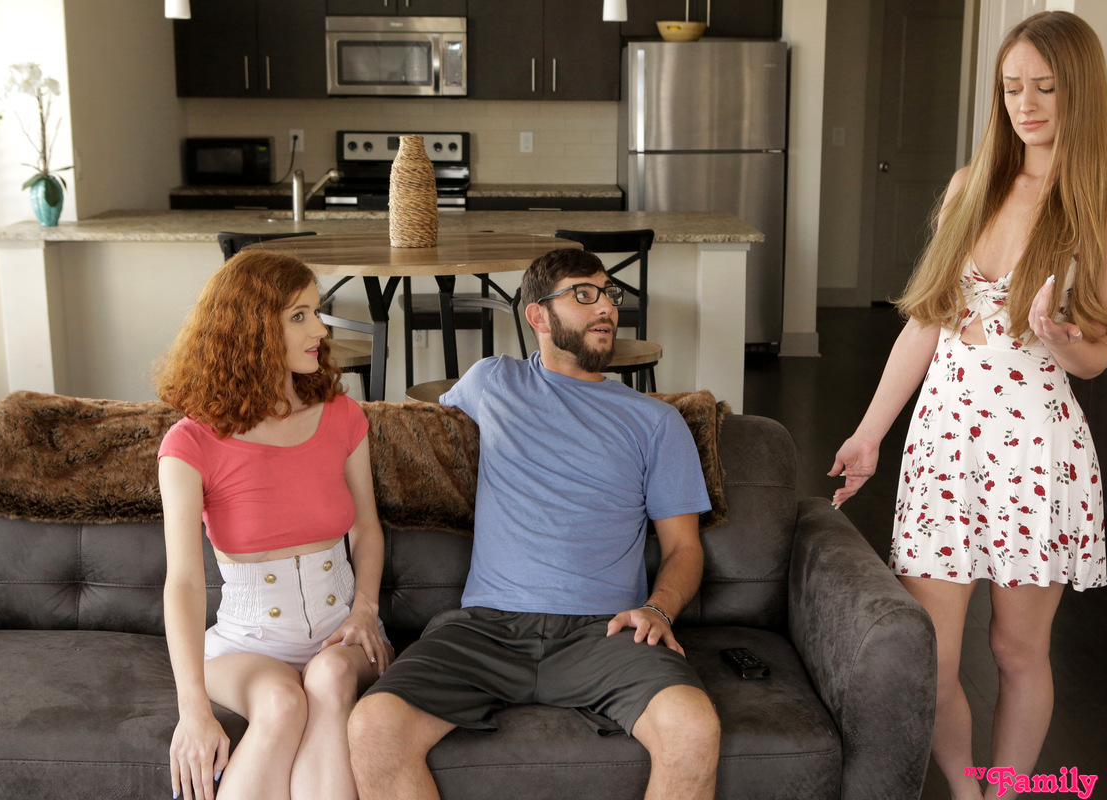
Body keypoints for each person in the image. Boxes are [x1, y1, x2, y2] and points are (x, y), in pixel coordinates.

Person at [830, 11, 1107, 800]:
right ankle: (968, 791)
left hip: (1036, 453)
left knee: (1015, 651)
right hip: (944, 444)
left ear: (1081, 92)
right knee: (928, 664)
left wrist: (1059, 338)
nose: (1025, 104)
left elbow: (1097, 357)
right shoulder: (970, 186)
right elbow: (926, 321)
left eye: (1045, 87)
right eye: (1011, 88)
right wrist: (869, 434)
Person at [346, 248, 721, 800]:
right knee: (373, 725)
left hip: (605, 632)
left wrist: (658, 610)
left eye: (610, 295)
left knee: (694, 726)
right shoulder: (492, 380)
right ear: (537, 315)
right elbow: (412, 425)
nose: (606, 308)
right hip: (486, 629)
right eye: (584, 294)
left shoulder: (656, 422)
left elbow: (684, 549)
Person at [155, 250, 394, 800]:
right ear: (254, 331)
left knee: (330, 678)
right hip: (245, 645)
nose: (320, 330)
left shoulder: (343, 416)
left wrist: (364, 609)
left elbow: (365, 530)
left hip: (344, 634)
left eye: (316, 312)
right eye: (299, 316)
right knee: (282, 702)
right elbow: (184, 582)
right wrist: (193, 712)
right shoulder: (189, 443)